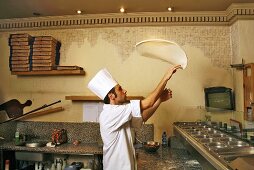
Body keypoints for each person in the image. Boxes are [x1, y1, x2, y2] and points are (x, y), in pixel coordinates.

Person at [87, 65, 182, 170]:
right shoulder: (110, 114)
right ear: (111, 96)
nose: (125, 90)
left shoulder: (119, 112)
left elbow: (143, 117)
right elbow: (148, 103)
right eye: (120, 89)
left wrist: (160, 100)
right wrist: (165, 78)